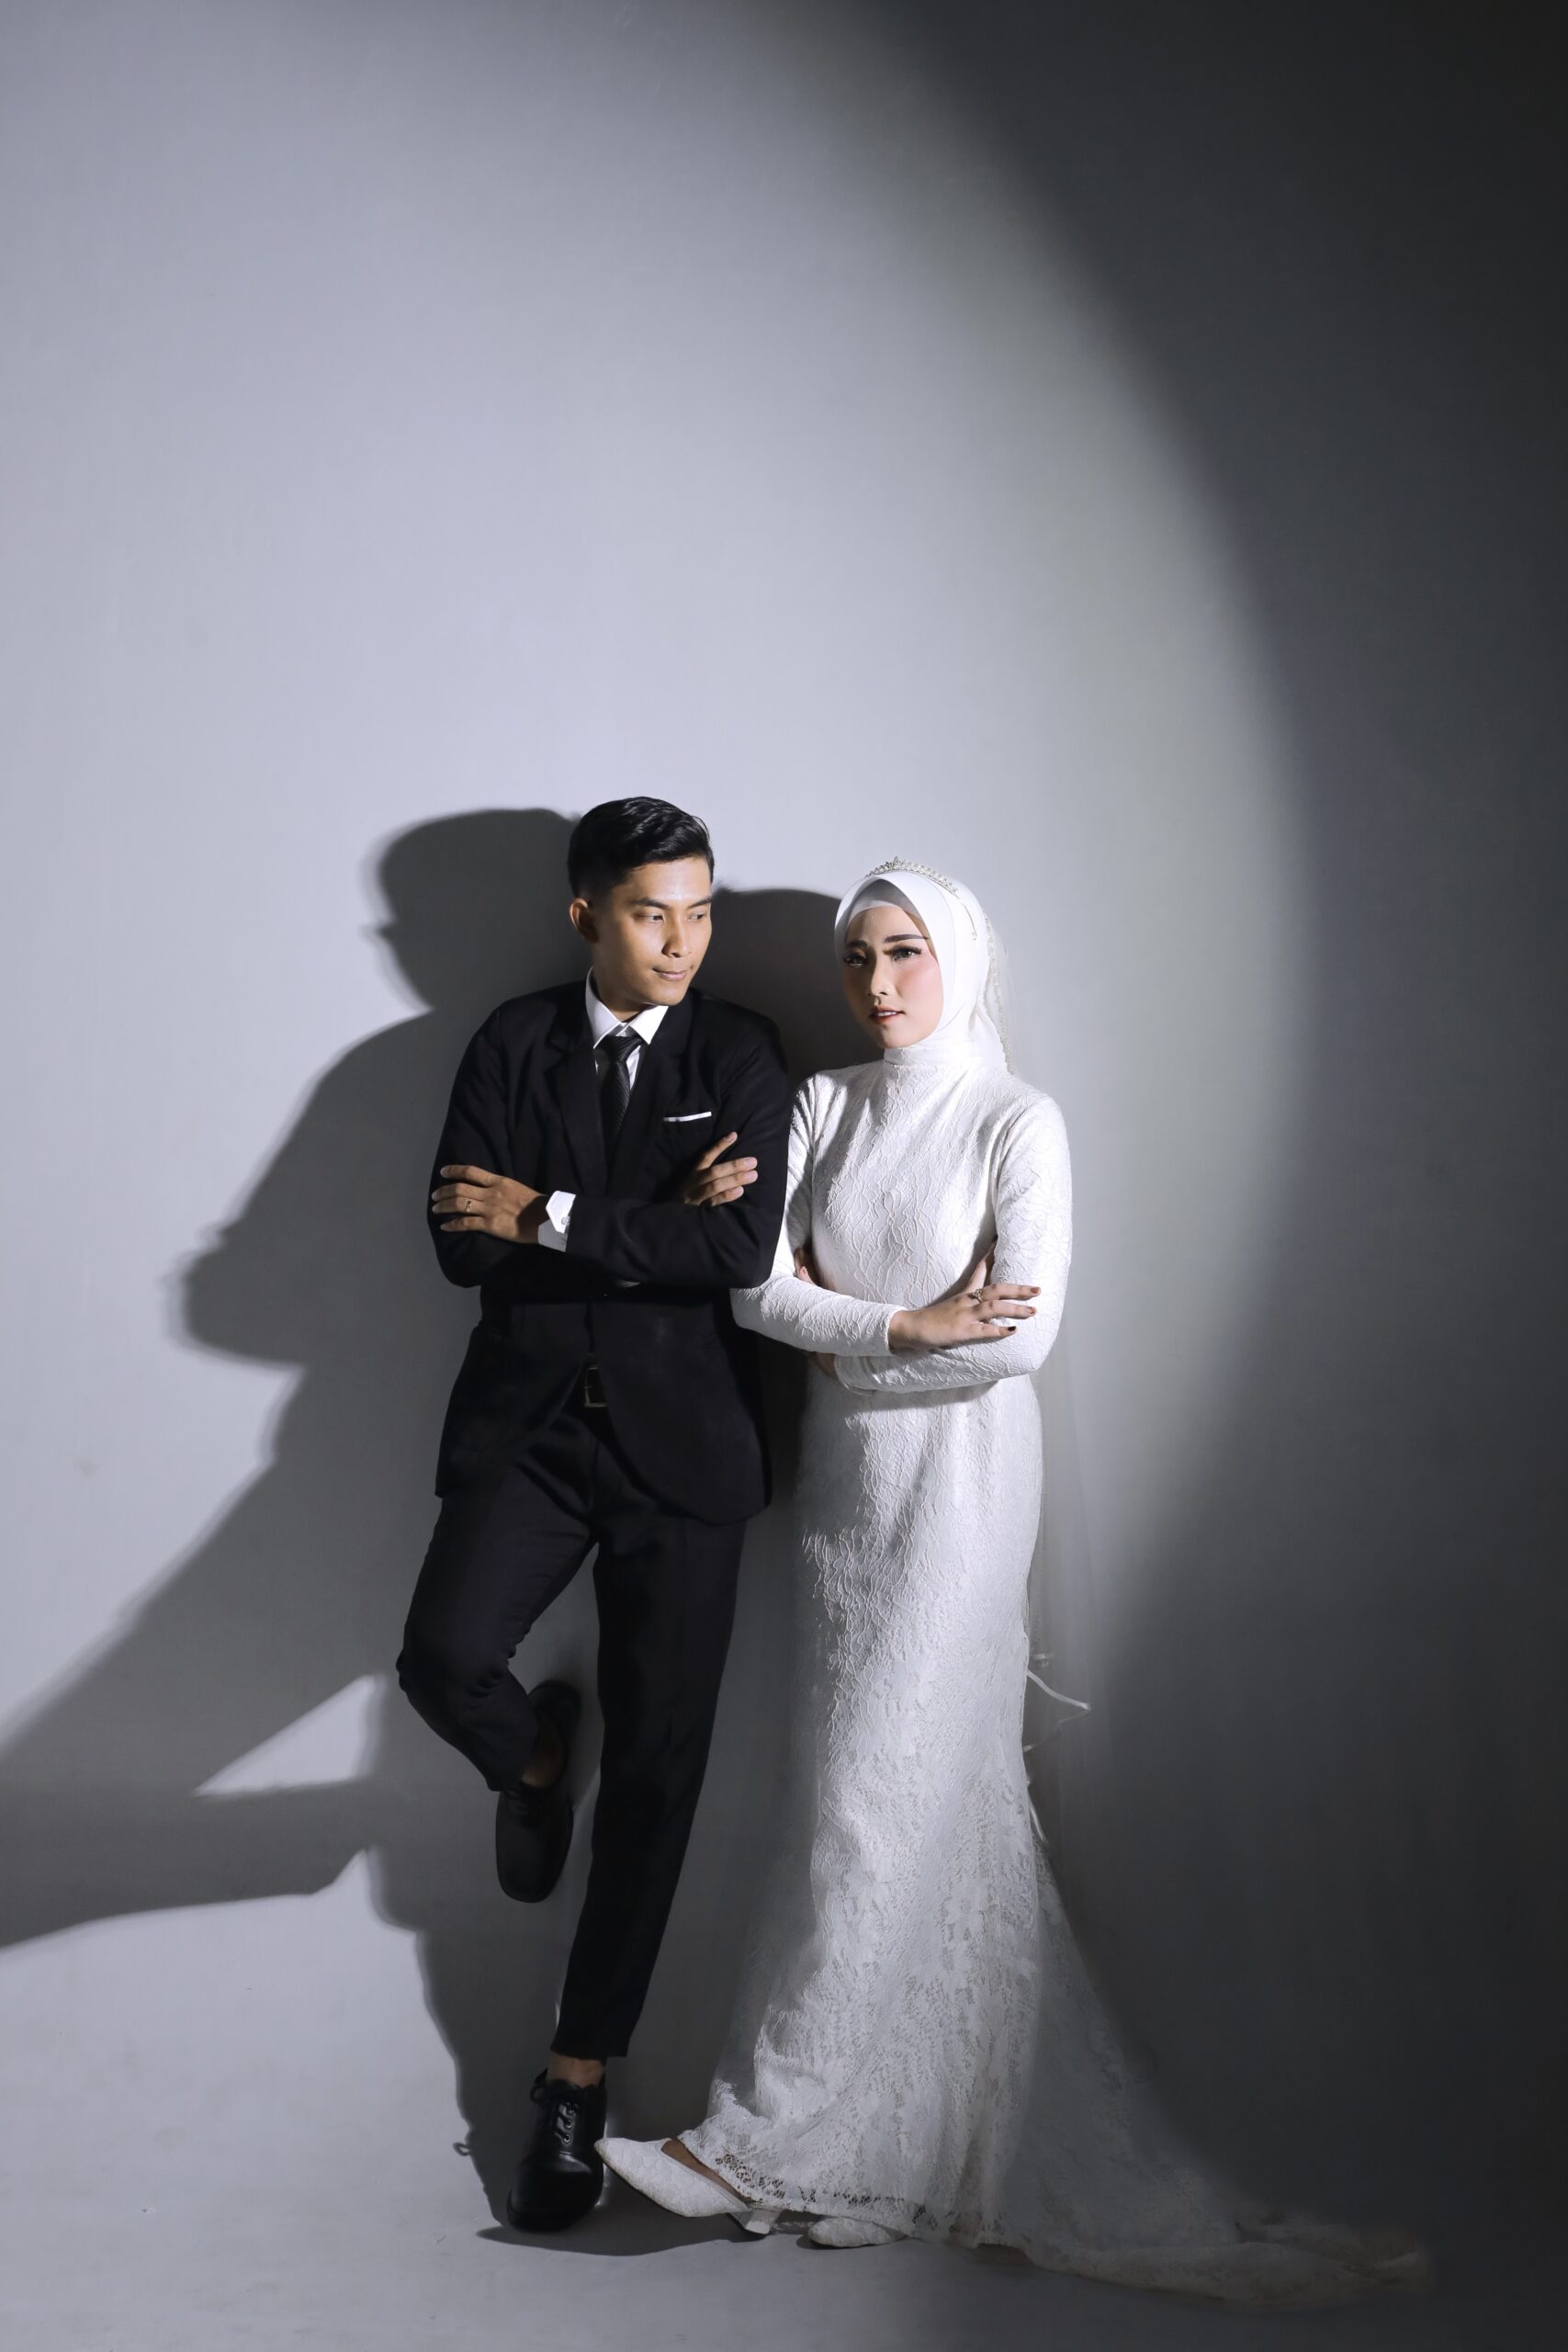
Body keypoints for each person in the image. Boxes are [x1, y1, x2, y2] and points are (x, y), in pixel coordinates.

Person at [596, 860, 1427, 2304]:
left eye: (906, 952)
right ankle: (897, 2158)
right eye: (859, 957)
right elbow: (752, 1287)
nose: (878, 984)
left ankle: (756, 2140)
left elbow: (1017, 1341)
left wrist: (863, 1339)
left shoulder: (1013, 1119)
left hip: (968, 1488)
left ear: (960, 958)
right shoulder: (820, 1104)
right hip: (850, 1493)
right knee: (911, 1808)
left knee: (869, 1808)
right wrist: (913, 1325)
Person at [395, 797, 791, 2232]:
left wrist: (553, 1215)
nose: (682, 943)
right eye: (649, 914)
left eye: (700, 912)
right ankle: (535, 1755)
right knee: (443, 1659)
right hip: (532, 1433)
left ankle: (574, 2080)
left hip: (685, 1451)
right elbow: (459, 1245)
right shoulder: (512, 1042)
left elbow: (736, 1248)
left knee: (663, 1774)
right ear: (586, 917)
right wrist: (650, 1216)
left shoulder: (740, 1051)